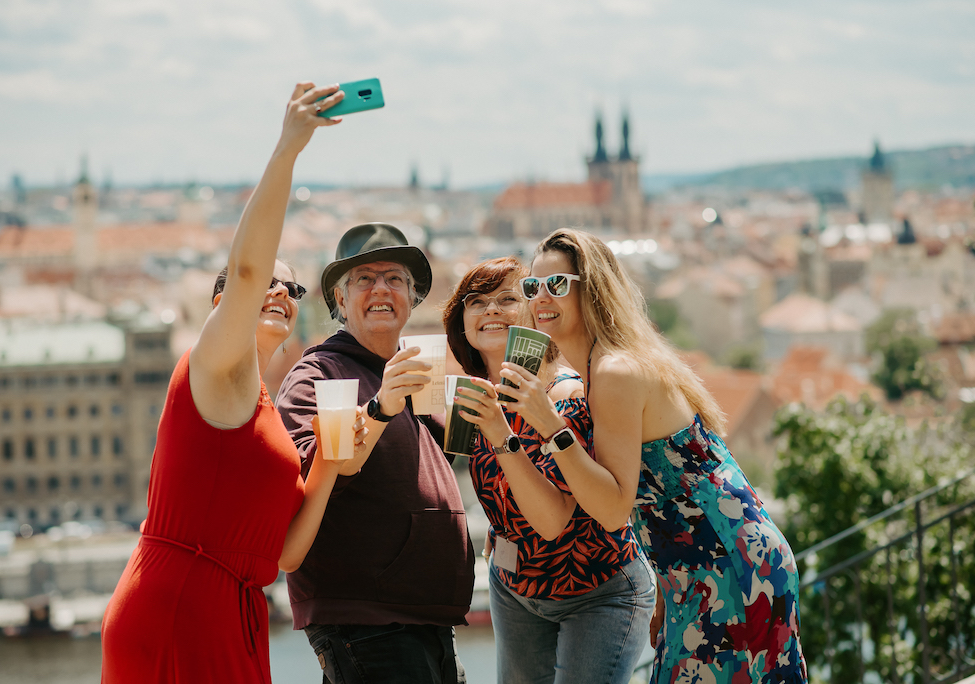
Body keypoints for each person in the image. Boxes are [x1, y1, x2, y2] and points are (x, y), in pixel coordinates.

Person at [101, 82, 367, 684]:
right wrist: (288, 149)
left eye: (292, 288)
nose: (279, 291)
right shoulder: (215, 366)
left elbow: (282, 556)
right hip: (179, 606)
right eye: (264, 284)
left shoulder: (264, 409)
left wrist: (328, 460)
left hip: (231, 610)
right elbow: (249, 269)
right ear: (222, 301)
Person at [524, 228, 807, 683]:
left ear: (592, 288)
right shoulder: (607, 364)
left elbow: (615, 508)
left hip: (727, 566)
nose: (541, 297)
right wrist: (665, 584)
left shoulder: (614, 370)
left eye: (556, 284)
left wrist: (551, 428)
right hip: (706, 563)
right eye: (532, 286)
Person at [275, 222, 475, 684]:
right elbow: (311, 472)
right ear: (340, 302)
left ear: (413, 298)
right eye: (364, 279)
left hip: (424, 620)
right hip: (366, 622)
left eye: (395, 279)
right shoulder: (320, 372)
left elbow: (460, 452)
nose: (381, 289)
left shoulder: (407, 372)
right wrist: (380, 408)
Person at [441, 256, 655, 684]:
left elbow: (553, 521)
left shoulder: (566, 396)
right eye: (477, 301)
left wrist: (500, 433)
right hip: (515, 590)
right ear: (461, 321)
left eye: (507, 298)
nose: (491, 310)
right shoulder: (477, 396)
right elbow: (497, 486)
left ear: (533, 311)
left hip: (597, 592)